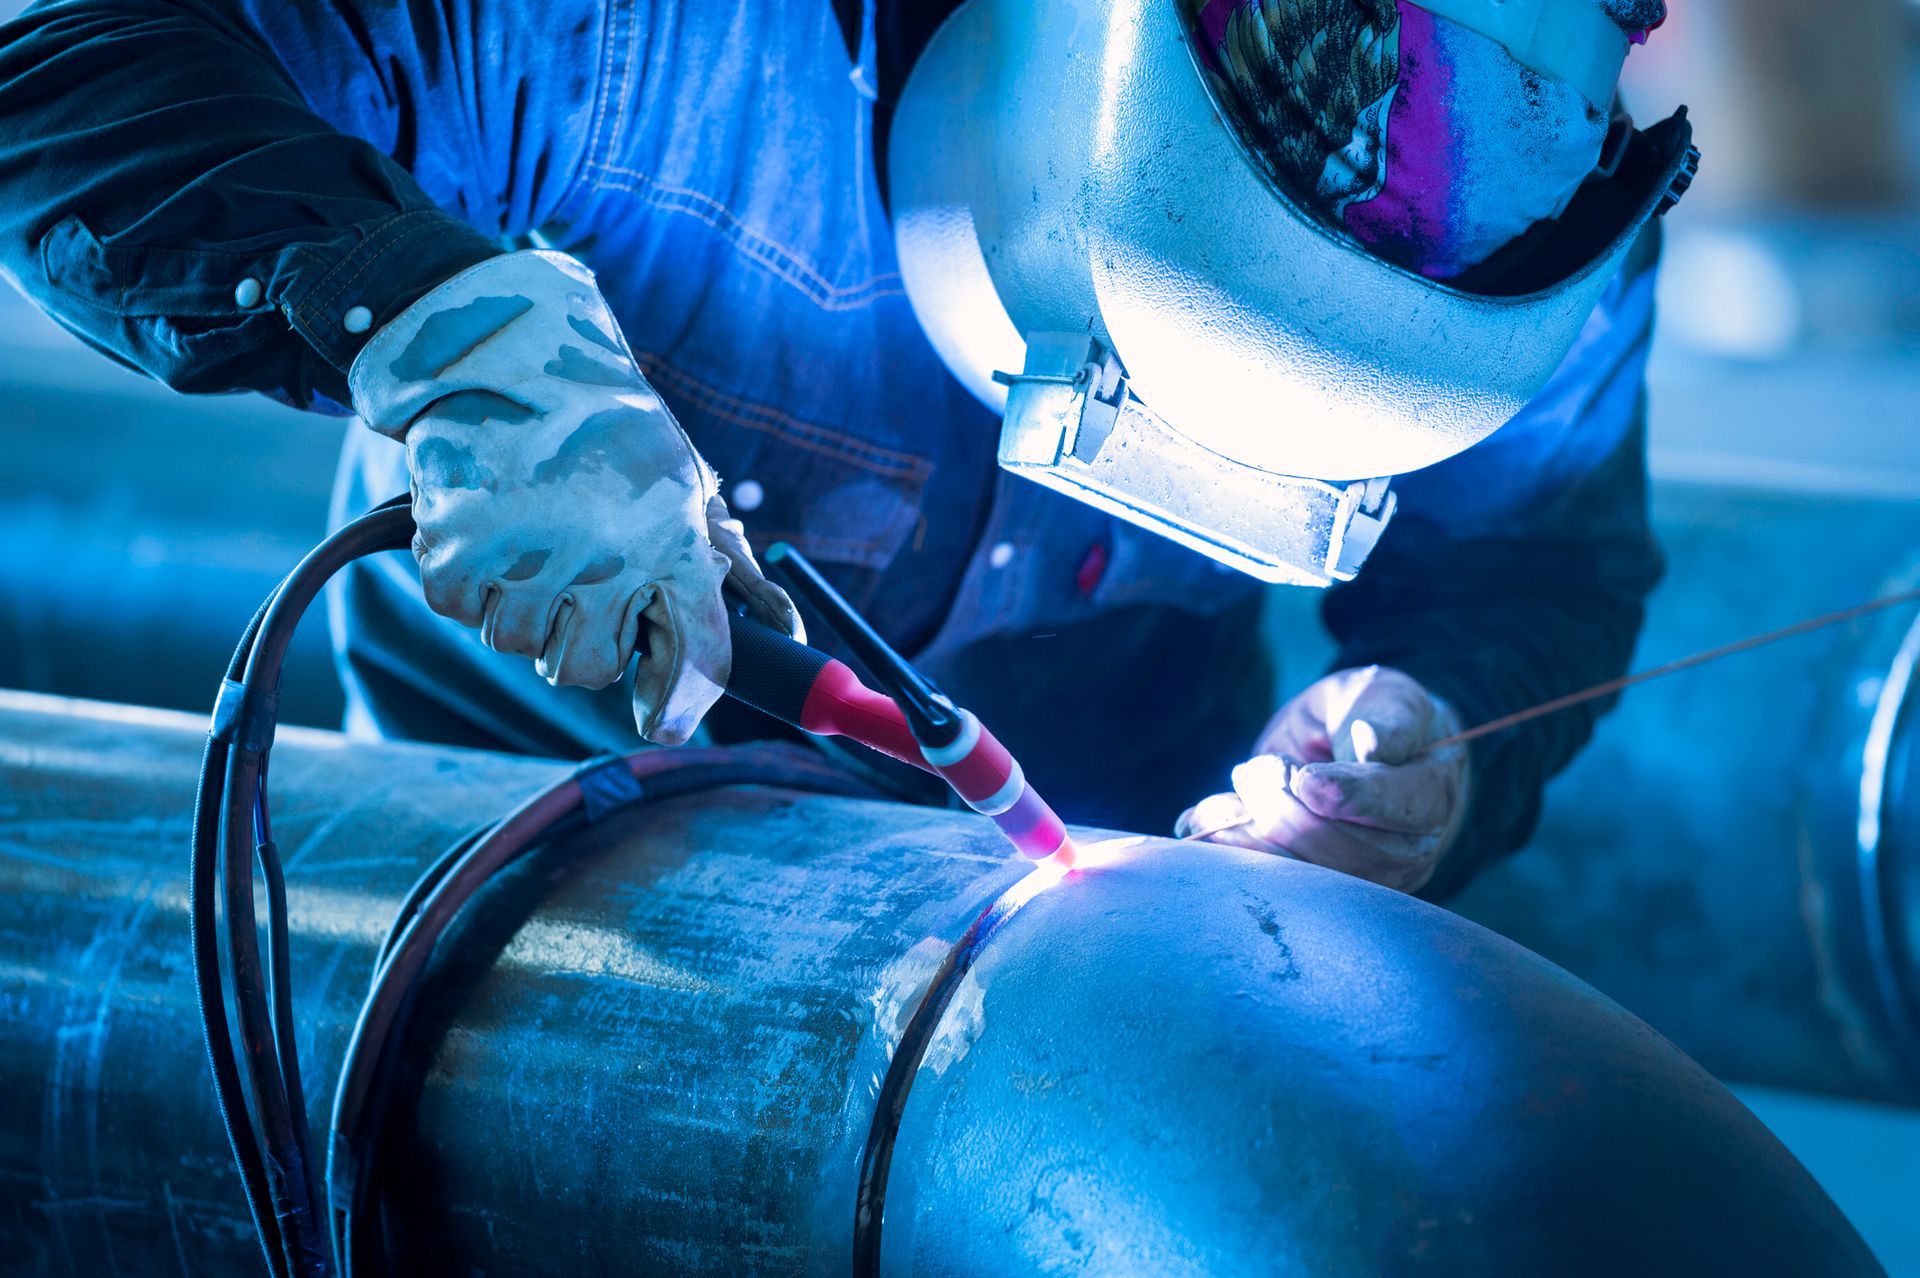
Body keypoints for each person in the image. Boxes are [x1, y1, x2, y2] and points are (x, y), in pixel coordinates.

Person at [0, 0, 1679, 898]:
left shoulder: (1531, 215)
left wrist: (1436, 742)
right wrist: (424, 317)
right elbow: (68, 50)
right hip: (525, 908)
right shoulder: (642, 41)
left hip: (1079, 988)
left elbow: (1533, 560)